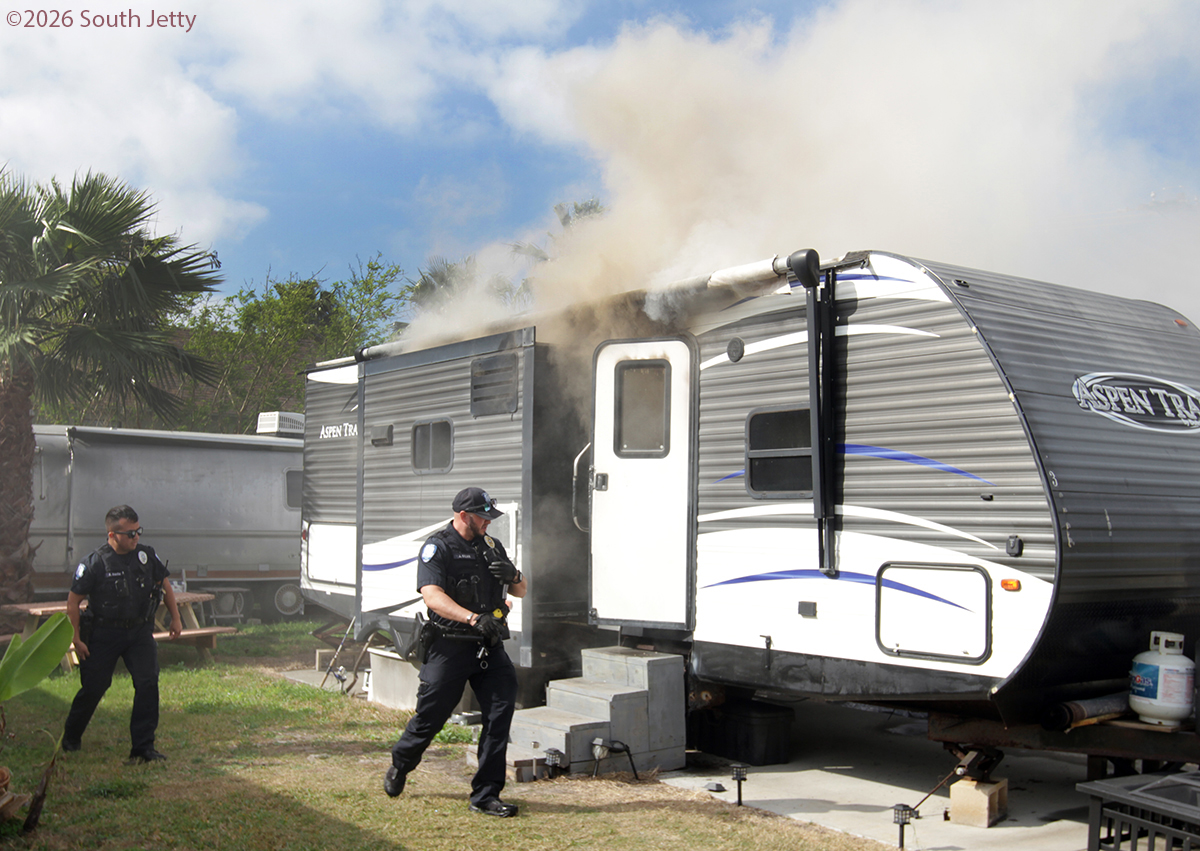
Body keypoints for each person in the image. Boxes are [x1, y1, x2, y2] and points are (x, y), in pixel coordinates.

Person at [385, 487, 527, 817]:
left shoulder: (492, 546)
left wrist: (515, 575)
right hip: (451, 645)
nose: (488, 523)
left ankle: (486, 795)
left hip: (489, 647)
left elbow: (520, 590)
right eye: (483, 517)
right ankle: (401, 764)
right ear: (464, 516)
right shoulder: (439, 548)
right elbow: (432, 596)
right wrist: (473, 618)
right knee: (430, 718)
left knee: (499, 717)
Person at [62, 505, 182, 764]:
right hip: (105, 632)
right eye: (130, 533)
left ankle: (143, 748)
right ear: (112, 535)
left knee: (148, 682)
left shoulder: (147, 556)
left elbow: (165, 586)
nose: (136, 537)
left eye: (138, 531)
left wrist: (176, 617)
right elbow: (73, 602)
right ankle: (71, 738)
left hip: (139, 631)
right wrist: (76, 639)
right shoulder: (95, 562)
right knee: (95, 687)